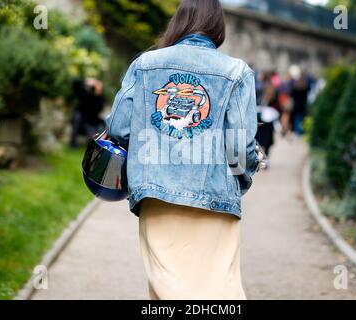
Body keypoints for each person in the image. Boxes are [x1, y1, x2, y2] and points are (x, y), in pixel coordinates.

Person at [105, 0, 262, 300]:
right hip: (216, 198)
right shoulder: (237, 72)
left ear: (179, 22)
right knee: (219, 290)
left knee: (168, 289)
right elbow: (240, 150)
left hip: (157, 195)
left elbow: (119, 128)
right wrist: (247, 174)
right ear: (218, 27)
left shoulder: (145, 64)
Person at [69, 78, 105, 148]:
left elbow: (98, 109)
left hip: (90, 121)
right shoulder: (85, 92)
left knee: (92, 138)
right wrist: (85, 81)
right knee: (77, 117)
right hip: (80, 117)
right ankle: (73, 143)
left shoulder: (100, 98)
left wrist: (97, 95)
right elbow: (75, 84)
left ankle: (92, 145)